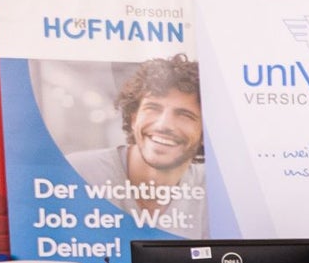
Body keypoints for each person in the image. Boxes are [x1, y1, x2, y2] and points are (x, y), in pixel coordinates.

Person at [67, 54, 207, 237]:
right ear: (133, 118)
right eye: (153, 108)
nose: (163, 124)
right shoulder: (77, 172)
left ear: (206, 135)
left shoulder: (213, 192)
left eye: (185, 115)